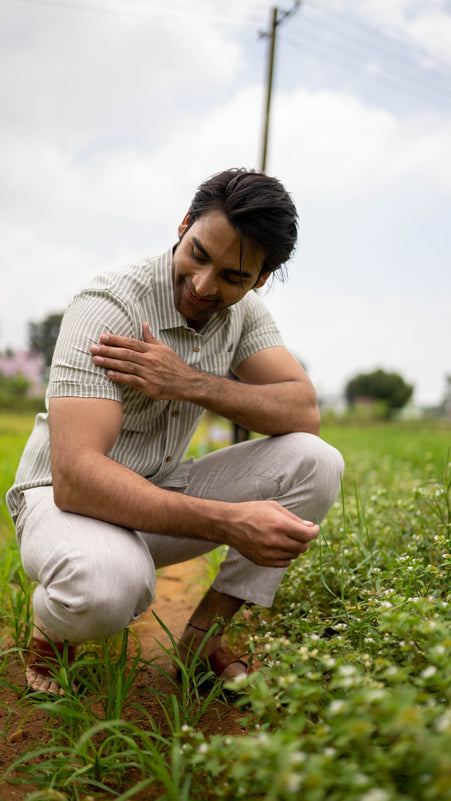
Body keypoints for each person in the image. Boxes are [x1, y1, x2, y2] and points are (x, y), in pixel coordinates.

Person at [7, 167, 344, 695]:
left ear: (259, 279)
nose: (204, 285)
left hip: (157, 493)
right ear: (184, 224)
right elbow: (76, 477)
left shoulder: (243, 314)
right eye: (198, 254)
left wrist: (191, 383)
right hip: (63, 501)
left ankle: (204, 637)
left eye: (233, 277)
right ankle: (54, 630)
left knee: (316, 460)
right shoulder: (110, 305)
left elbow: (303, 412)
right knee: (110, 587)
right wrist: (230, 522)